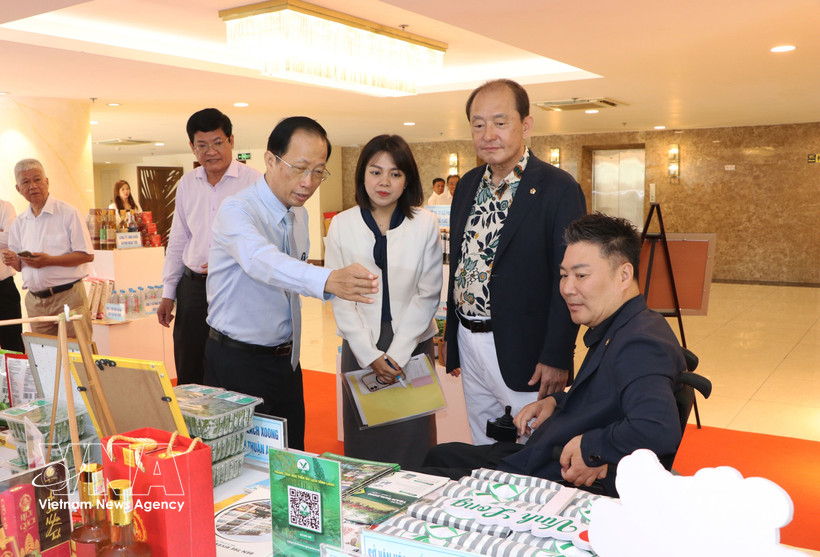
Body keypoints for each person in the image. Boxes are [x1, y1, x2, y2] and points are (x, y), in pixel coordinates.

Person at [422, 213, 685, 497]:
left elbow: (657, 429)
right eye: (563, 276)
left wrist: (591, 449)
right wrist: (556, 402)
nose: (567, 289)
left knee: (423, 481)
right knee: (440, 455)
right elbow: (607, 400)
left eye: (581, 276)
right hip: (540, 454)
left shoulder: (640, 342)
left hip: (545, 478)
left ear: (624, 275)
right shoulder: (621, 325)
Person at [204, 116, 379, 451]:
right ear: (270, 160)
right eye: (299, 168)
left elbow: (291, 275)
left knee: (289, 454)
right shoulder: (237, 211)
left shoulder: (299, 214)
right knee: (241, 461)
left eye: (318, 171)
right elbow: (263, 261)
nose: (309, 182)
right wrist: (327, 278)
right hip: (237, 360)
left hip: (287, 360)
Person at [445, 79, 586, 444]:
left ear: (525, 125)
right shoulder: (467, 185)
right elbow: (462, 263)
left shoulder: (557, 188)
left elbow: (570, 279)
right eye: (478, 124)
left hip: (525, 349)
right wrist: (451, 335)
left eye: (500, 122)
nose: (488, 134)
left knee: (535, 446)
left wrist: (557, 353)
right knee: (483, 442)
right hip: (469, 337)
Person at [325, 134, 442, 468]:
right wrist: (369, 353)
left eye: (395, 173)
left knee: (413, 437)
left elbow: (428, 293)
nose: (384, 182)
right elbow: (340, 293)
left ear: (407, 180)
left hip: (414, 343)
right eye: (376, 172)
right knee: (366, 436)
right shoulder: (342, 225)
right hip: (361, 345)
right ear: (363, 174)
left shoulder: (425, 224)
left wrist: (398, 352)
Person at [157, 108, 260, 386]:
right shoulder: (187, 184)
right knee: (189, 366)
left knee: (230, 366)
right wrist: (168, 293)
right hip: (192, 290)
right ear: (192, 147)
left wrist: (231, 260)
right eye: (202, 145)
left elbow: (264, 242)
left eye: (217, 143)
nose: (210, 151)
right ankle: (190, 427)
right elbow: (178, 239)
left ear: (231, 141)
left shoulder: (255, 184)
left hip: (236, 287)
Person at [1, 159, 94, 340]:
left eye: (37, 179)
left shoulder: (68, 213)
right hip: (35, 302)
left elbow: (87, 255)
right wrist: (15, 262)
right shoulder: (20, 222)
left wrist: (49, 260)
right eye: (26, 182)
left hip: (68, 297)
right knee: (44, 360)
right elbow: (21, 266)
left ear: (47, 181)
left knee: (76, 357)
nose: (33, 186)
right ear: (18, 189)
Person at [0, 197, 24, 352]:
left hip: (3, 288)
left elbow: (10, 239)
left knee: (13, 347)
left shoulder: (5, 207)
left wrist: (5, 234)